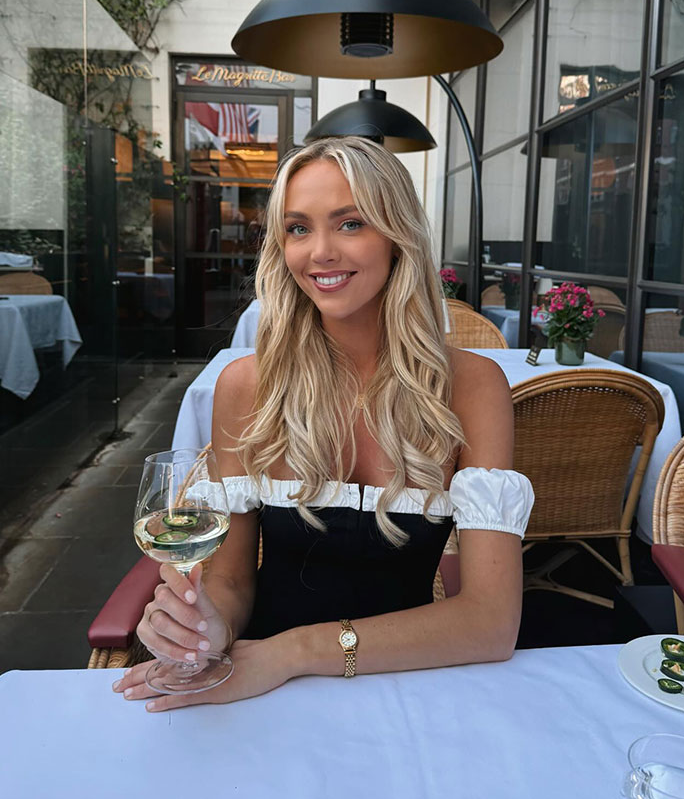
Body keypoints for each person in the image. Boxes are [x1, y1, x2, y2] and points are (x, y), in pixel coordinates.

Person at [113, 136, 534, 712]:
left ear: (398, 236)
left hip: (408, 685)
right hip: (264, 695)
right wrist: (208, 627)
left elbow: (491, 623)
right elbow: (232, 582)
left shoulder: (472, 386)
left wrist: (291, 653)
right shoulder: (247, 387)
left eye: (351, 223)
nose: (320, 252)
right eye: (298, 228)